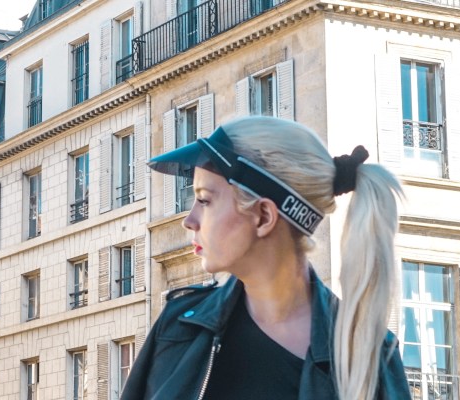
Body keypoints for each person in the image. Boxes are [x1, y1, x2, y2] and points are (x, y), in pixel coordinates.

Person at [118, 116, 410, 400]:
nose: (189, 221)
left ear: (264, 216)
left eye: (205, 200)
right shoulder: (178, 325)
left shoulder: (371, 355)